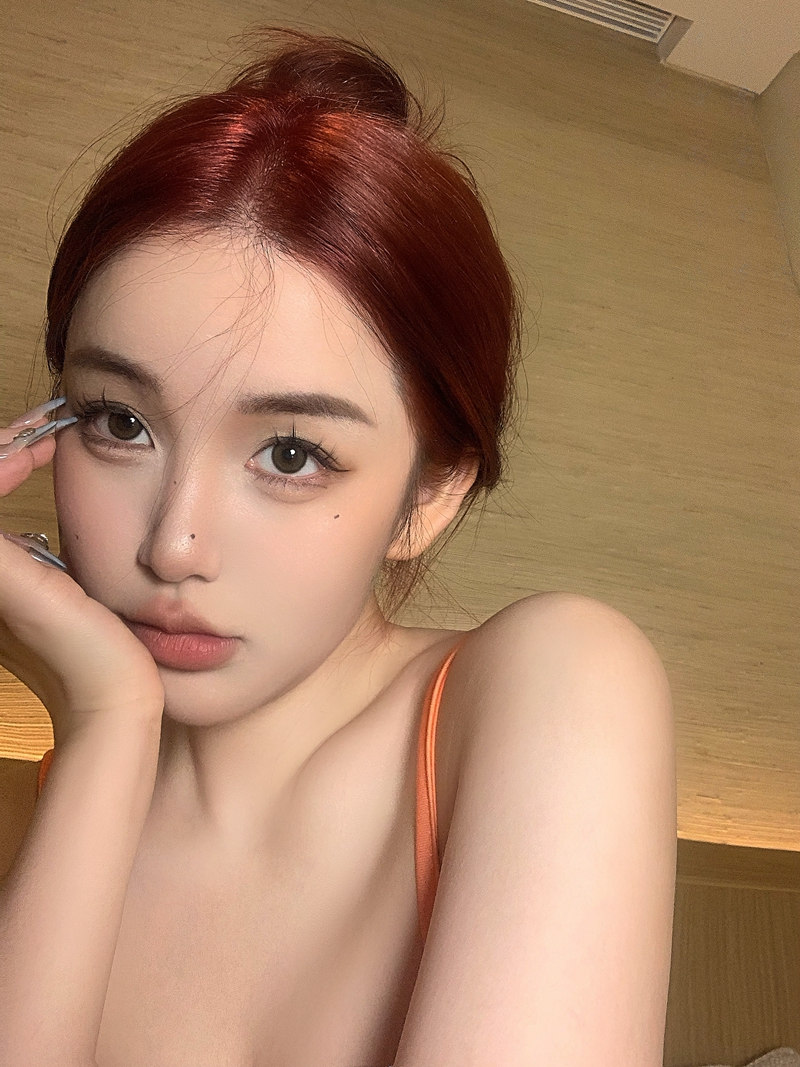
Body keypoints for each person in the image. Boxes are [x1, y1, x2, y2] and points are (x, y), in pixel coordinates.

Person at [0, 29, 677, 1067]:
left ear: (429, 495)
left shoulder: (554, 682)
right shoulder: (79, 791)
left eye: (290, 452)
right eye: (120, 422)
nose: (175, 544)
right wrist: (104, 727)